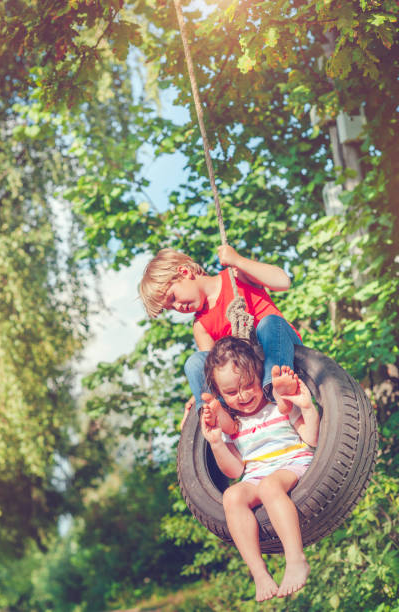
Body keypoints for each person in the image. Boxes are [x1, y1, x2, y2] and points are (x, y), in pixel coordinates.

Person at [201, 336, 319, 601]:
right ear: (220, 394)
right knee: (231, 496)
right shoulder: (235, 427)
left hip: (292, 463)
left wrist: (307, 408)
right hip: (255, 474)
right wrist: (217, 443)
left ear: (258, 375)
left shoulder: (280, 406)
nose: (242, 396)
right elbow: (233, 471)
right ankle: (260, 573)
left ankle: (296, 559)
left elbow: (311, 438)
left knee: (269, 486)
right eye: (231, 393)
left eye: (248, 385)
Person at [139, 244, 302, 432]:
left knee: (269, 324)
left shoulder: (236, 276)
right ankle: (217, 415)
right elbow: (211, 371)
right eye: (171, 307)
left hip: (280, 351)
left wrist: (238, 260)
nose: (178, 307)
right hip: (247, 376)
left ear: (184, 272)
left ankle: (276, 386)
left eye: (173, 297)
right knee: (195, 363)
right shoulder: (201, 326)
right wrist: (199, 394)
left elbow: (283, 282)